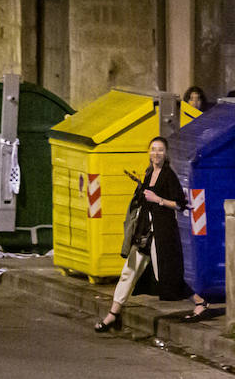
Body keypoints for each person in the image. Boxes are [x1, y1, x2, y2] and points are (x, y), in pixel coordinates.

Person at [95, 137, 208, 332]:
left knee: (165, 275)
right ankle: (113, 314)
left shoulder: (168, 175)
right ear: (149, 152)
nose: (156, 153)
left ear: (166, 154)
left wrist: (158, 199)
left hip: (162, 234)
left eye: (160, 150)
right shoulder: (149, 173)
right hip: (144, 233)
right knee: (128, 272)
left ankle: (200, 302)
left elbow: (181, 204)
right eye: (153, 149)